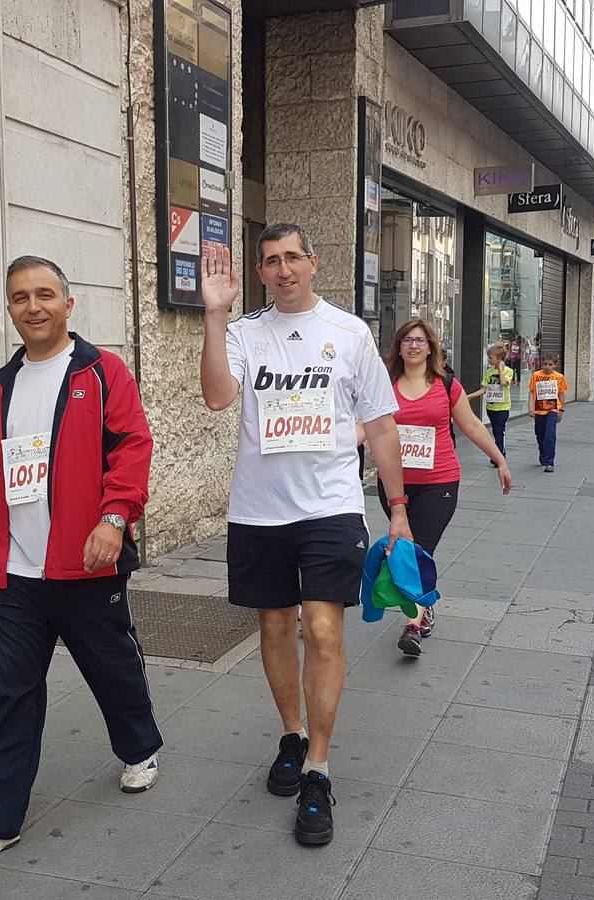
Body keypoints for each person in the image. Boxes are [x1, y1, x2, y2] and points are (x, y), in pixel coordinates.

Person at [0, 256, 159, 867]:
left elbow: (133, 449)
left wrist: (115, 520)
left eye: (44, 295)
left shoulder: (102, 372)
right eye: (19, 297)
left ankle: (139, 746)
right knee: (7, 693)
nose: (32, 307)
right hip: (15, 575)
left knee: (112, 668)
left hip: (87, 562)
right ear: (9, 308)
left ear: (68, 303)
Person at [199, 223, 412, 846]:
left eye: (294, 256)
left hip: (331, 509)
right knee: (273, 625)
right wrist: (215, 315)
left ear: (314, 264)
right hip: (260, 511)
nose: (284, 268)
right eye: (271, 261)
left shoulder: (349, 334)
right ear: (259, 273)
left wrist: (396, 509)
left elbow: (380, 426)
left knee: (321, 627)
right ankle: (290, 735)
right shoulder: (242, 334)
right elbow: (216, 398)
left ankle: (318, 767)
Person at [381, 318, 510, 655]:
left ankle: (414, 622)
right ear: (399, 347)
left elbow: (471, 425)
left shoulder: (446, 384)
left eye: (420, 340)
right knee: (406, 547)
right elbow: (367, 427)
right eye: (407, 340)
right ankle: (423, 605)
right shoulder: (385, 383)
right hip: (394, 484)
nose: (413, 345)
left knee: (419, 548)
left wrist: (500, 459)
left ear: (431, 347)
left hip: (440, 481)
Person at [529, 353, 568, 471]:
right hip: (539, 410)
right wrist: (530, 406)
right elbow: (532, 392)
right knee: (540, 434)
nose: (547, 367)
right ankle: (543, 452)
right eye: (545, 364)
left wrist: (561, 410)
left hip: (553, 409)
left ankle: (550, 462)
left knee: (550, 435)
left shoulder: (559, 377)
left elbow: (561, 394)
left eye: (550, 365)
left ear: (555, 365)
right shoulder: (536, 375)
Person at [481, 344, 515, 463]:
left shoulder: (508, 371)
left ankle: (498, 458)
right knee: (495, 431)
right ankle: (501, 452)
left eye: (491, 358)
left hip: (503, 407)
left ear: (499, 359)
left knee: (499, 431)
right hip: (491, 407)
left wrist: (501, 369)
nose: (489, 360)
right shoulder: (489, 372)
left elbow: (503, 382)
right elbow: (484, 389)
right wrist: (469, 396)